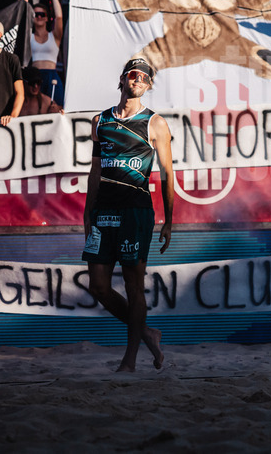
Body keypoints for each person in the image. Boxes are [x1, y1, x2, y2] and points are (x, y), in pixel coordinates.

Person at [83, 58, 175, 372]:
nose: (139, 80)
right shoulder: (100, 120)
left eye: (145, 78)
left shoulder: (155, 123)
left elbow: (167, 173)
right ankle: (148, 334)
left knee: (134, 286)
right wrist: (87, 215)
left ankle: (131, 360)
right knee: (98, 286)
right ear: (123, 79)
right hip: (103, 212)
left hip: (136, 212)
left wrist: (169, 220)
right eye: (134, 75)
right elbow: (94, 172)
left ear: (148, 86)